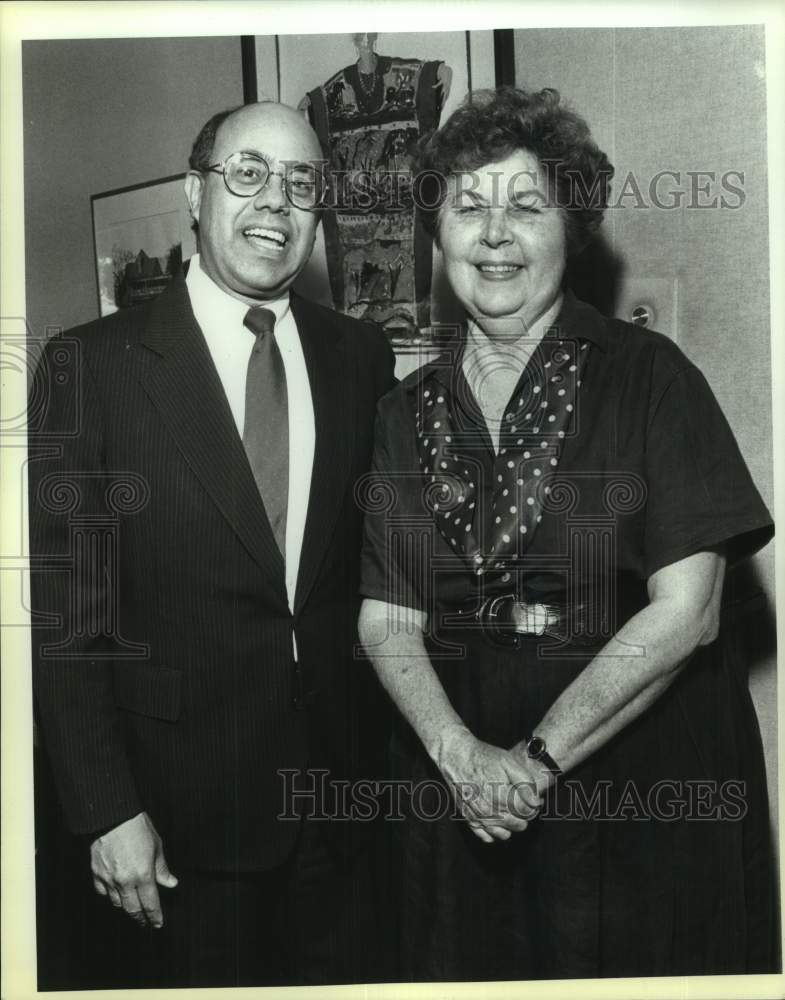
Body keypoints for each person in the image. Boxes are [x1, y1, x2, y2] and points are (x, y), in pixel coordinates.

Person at [358, 87, 776, 981]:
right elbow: (384, 619)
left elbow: (688, 612)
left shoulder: (651, 376)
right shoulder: (403, 410)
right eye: (467, 208)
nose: (494, 234)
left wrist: (537, 759)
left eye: (525, 205)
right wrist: (463, 759)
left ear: (571, 226)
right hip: (461, 789)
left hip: (636, 790)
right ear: (438, 239)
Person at [29, 101, 395, 989]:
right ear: (195, 192)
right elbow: (67, 619)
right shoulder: (94, 366)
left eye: (302, 183)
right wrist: (107, 812)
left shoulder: (360, 358)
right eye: (248, 173)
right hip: (171, 823)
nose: (276, 201)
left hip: (338, 811)